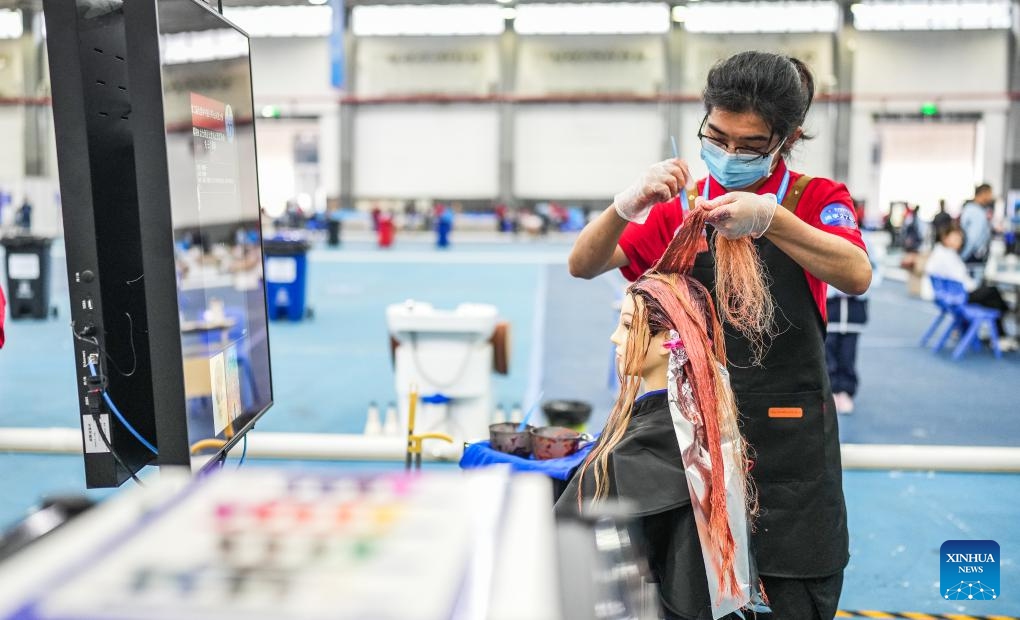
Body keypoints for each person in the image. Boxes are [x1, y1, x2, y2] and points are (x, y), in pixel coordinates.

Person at [568, 51, 872, 618]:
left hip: (788, 445)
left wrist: (772, 219)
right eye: (716, 135)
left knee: (795, 584)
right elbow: (583, 264)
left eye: (749, 144)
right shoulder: (683, 206)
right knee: (687, 589)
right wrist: (622, 207)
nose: (729, 153)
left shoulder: (815, 199)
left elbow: (856, 272)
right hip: (693, 445)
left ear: (785, 138)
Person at [556, 246, 759, 618]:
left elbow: (564, 538)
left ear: (669, 341)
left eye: (628, 326)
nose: (615, 339)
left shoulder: (641, 448)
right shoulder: (704, 424)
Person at [924, 222, 1016, 351]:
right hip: (959, 296)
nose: (960, 241)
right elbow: (960, 280)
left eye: (960, 238)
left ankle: (1001, 331)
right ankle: (1003, 327)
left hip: (950, 296)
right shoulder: (947, 256)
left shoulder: (940, 253)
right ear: (945, 237)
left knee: (991, 296)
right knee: (993, 293)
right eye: (956, 238)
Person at [960, 184, 994, 270]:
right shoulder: (977, 213)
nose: (991, 197)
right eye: (990, 194)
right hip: (972, 256)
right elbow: (973, 237)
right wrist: (963, 256)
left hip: (970, 254)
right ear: (983, 193)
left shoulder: (971, 208)